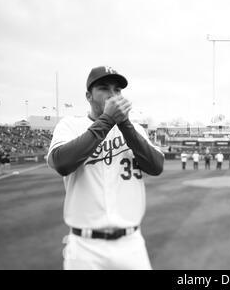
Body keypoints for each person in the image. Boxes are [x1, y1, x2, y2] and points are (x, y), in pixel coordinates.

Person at [47, 66, 164, 270]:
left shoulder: (135, 129)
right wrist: (108, 120)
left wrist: (124, 124)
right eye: (104, 88)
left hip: (131, 244)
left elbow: (155, 166)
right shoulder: (70, 125)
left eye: (117, 90)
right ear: (88, 96)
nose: (112, 95)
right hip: (84, 247)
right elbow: (62, 163)